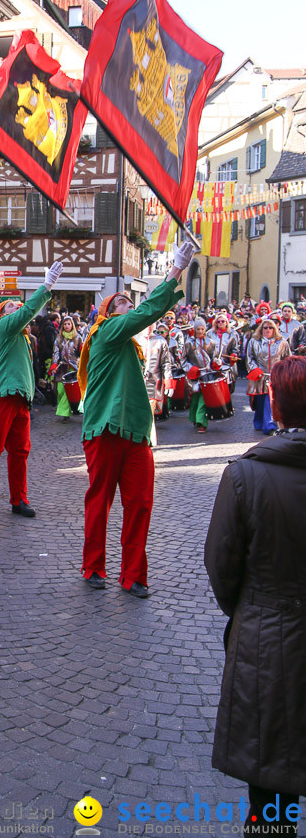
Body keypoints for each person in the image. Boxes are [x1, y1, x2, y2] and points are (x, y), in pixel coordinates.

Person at [204, 357, 306, 837]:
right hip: (272, 624)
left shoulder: (245, 475)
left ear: (278, 410)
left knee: (270, 793)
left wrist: (251, 610)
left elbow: (222, 567)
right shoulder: (246, 473)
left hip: (268, 634)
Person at [77, 239, 195, 597]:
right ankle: (93, 566)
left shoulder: (133, 344)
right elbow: (145, 315)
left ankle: (133, 574)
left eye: (130, 302)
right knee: (100, 500)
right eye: (121, 304)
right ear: (108, 314)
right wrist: (175, 271)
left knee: (141, 503)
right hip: (105, 427)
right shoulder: (105, 332)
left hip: (137, 430)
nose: (128, 306)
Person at [0, 261, 64, 519]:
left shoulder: (22, 336)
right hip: (1, 396)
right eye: (11, 305)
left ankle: (18, 499)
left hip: (21, 398)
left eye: (18, 305)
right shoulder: (3, 327)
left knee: (21, 451)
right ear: (1, 314)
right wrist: (47, 284)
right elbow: (28, 311)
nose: (17, 307)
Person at [246, 319, 290, 435]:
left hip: (275, 377)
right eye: (265, 328)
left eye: (270, 328)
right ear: (261, 329)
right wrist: (255, 370)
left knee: (269, 401)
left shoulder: (282, 342)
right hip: (259, 376)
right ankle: (259, 422)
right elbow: (249, 358)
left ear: (274, 329)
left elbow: (287, 358)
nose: (268, 330)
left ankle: (269, 426)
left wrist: (283, 372)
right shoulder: (254, 342)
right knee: (259, 402)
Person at [183, 318, 214, 433]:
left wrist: (216, 363)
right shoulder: (189, 343)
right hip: (194, 375)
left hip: (207, 374)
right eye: (198, 329)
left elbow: (214, 357)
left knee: (203, 399)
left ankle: (202, 422)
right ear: (195, 330)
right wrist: (191, 369)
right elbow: (183, 360)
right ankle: (195, 419)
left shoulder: (210, 342)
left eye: (202, 329)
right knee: (195, 399)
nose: (200, 331)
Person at [51, 316, 82, 420]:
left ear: (72, 325)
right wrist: (54, 364)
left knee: (68, 391)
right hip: (62, 368)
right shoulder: (59, 338)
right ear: (62, 326)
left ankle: (64, 413)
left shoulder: (78, 337)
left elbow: (82, 353)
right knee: (60, 391)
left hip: (73, 368)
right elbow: (55, 352)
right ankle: (66, 410)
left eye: (69, 324)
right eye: (65, 324)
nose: (67, 326)